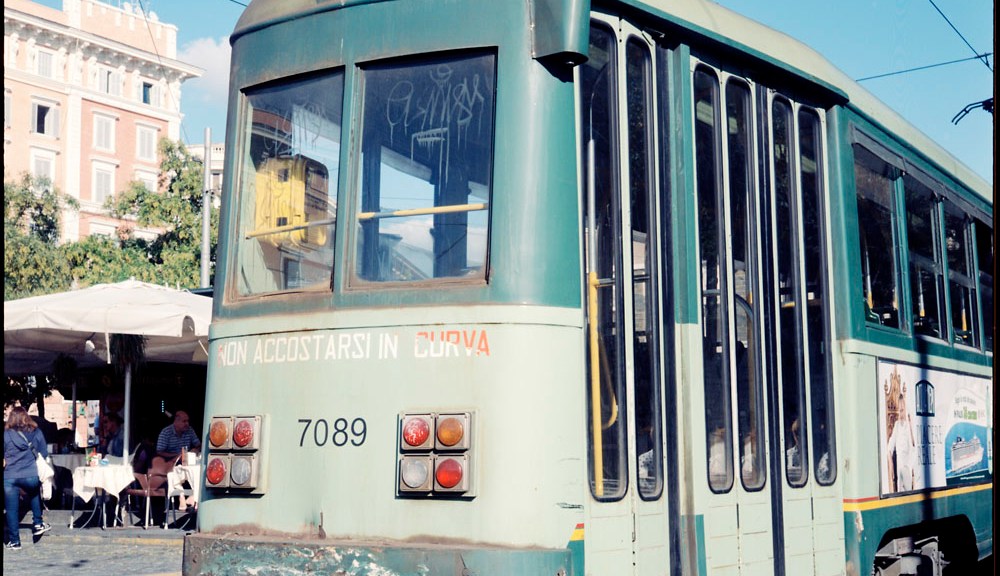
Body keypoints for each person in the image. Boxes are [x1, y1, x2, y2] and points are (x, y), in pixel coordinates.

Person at [4, 406, 52, 550]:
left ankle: (15, 542)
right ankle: (38, 523)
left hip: (10, 476)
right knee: (34, 491)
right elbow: (44, 453)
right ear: (26, 417)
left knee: (11, 509)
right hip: (30, 474)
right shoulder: (36, 432)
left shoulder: (6, 434)